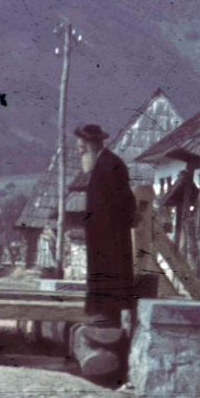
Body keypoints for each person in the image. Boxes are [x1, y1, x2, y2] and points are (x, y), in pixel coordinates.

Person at [73, 123, 138, 326]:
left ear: (92, 145)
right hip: (101, 231)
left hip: (110, 232)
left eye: (82, 147)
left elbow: (125, 199)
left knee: (110, 271)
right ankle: (102, 313)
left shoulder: (111, 164)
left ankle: (109, 315)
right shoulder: (101, 164)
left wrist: (110, 222)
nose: (80, 150)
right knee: (101, 270)